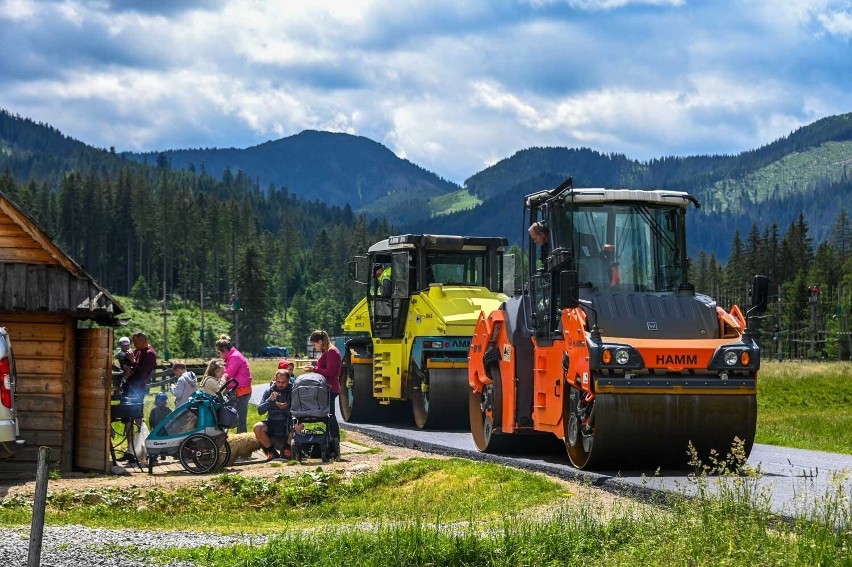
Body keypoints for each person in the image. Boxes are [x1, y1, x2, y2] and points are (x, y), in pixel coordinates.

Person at [304, 330, 341, 445]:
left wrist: (314, 369)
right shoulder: (327, 351)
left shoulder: (331, 352)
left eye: (315, 344)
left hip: (330, 388)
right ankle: (330, 439)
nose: (314, 347)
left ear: (320, 341)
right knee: (327, 415)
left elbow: (330, 372)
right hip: (325, 388)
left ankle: (335, 440)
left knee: (330, 416)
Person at [216, 334, 253, 434]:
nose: (218, 355)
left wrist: (219, 380)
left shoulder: (234, 357)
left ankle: (242, 443)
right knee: (234, 417)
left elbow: (228, 374)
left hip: (241, 391)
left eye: (219, 352)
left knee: (240, 419)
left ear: (224, 350)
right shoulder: (233, 356)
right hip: (239, 390)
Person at [253, 369, 293, 460]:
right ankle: (271, 452)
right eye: (278, 382)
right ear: (275, 380)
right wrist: (269, 401)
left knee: (300, 425)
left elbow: (299, 410)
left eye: (283, 382)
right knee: (257, 427)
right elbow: (260, 411)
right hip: (273, 421)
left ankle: (287, 449)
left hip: (288, 421)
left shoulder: (293, 391)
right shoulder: (269, 391)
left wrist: (287, 407)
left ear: (288, 381)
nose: (280, 384)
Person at [127, 331, 157, 402]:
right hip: (132, 385)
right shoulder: (139, 350)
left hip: (139, 387)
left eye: (136, 342)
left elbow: (142, 373)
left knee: (136, 409)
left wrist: (133, 361)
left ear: (142, 341)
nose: (134, 345)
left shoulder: (150, 354)